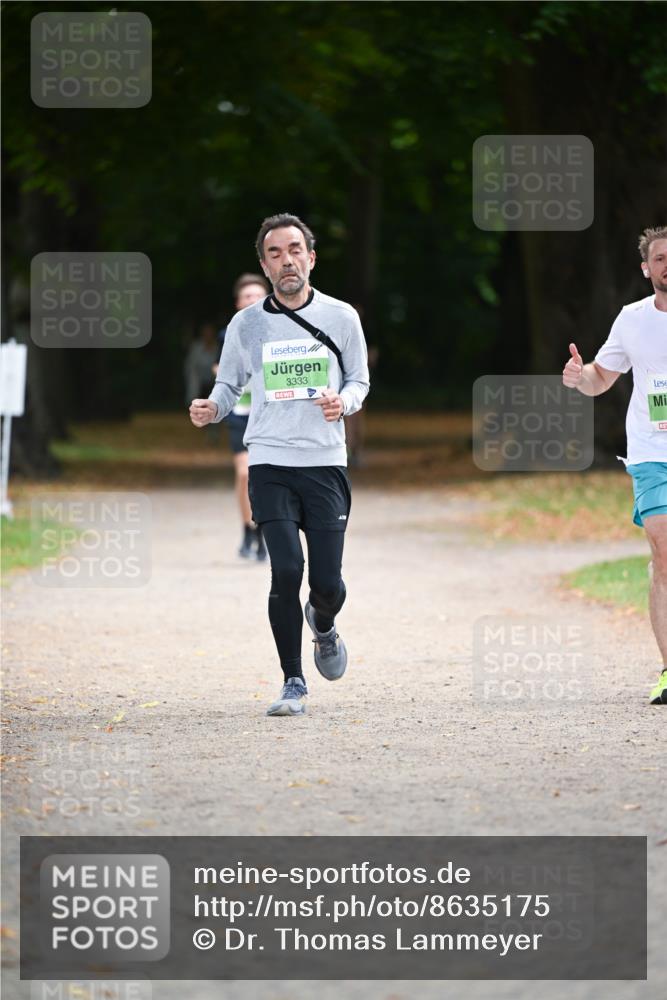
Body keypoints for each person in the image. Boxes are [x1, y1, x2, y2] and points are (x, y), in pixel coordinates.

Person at [190, 213, 370, 716]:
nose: (286, 260)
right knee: (285, 568)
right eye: (275, 253)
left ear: (311, 258)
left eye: (295, 250)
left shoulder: (341, 317)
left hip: (325, 460)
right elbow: (228, 386)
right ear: (264, 266)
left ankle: (325, 622)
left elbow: (359, 380)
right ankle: (293, 681)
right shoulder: (245, 325)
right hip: (269, 458)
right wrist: (212, 407)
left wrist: (345, 403)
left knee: (327, 584)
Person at [562, 224, 667, 705]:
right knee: (664, 553)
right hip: (652, 453)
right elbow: (601, 377)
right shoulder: (631, 320)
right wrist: (577, 376)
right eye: (660, 258)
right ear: (647, 269)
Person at [214, 274, 270, 560]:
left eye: (257, 295)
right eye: (247, 296)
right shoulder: (228, 335)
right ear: (238, 303)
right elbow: (217, 369)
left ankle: (264, 534)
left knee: (267, 476)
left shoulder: (280, 331)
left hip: (272, 414)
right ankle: (247, 529)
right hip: (240, 411)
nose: (252, 301)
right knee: (245, 473)